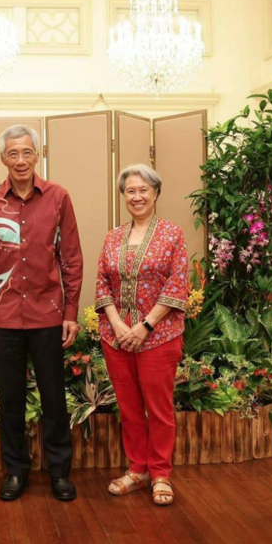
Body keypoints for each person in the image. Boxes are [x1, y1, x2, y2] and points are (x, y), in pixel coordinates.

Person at [0, 124, 83, 502]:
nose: (20, 160)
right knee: (11, 398)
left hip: (48, 315)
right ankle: (15, 472)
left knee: (54, 399)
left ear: (38, 154)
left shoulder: (58, 197)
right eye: (13, 153)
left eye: (27, 152)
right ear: (3, 158)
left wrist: (70, 311)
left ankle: (59, 473)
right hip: (3, 317)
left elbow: (72, 258)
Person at [95, 164, 188, 506]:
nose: (137, 196)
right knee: (129, 407)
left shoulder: (172, 234)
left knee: (159, 408)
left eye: (143, 190)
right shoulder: (113, 236)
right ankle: (137, 469)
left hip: (159, 335)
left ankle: (161, 473)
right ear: (124, 196)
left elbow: (178, 283)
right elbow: (102, 281)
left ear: (156, 194)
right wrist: (118, 324)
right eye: (130, 191)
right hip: (116, 336)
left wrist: (145, 325)